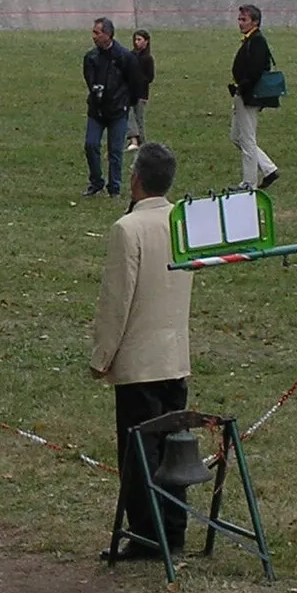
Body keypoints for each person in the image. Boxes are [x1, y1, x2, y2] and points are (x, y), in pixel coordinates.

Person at [90, 141, 194, 557]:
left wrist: (102, 356)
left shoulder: (127, 229)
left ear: (135, 179)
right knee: (174, 448)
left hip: (138, 360)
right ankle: (174, 526)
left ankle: (147, 533)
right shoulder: (182, 222)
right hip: (175, 354)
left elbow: (117, 301)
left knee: (139, 452)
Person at [82, 18, 136, 197]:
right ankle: (96, 181)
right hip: (97, 110)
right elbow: (89, 80)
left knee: (115, 150)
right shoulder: (91, 57)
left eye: (97, 33)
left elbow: (133, 81)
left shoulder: (124, 57)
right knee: (91, 145)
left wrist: (126, 103)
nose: (94, 37)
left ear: (108, 35)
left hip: (117, 111)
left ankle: (114, 187)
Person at [228, 4, 279, 190]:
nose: (240, 23)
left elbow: (256, 69)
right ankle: (269, 169)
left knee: (247, 138)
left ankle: (249, 183)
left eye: (244, 20)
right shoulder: (250, 39)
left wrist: (242, 86)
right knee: (236, 136)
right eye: (239, 19)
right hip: (242, 94)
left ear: (255, 22)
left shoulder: (257, 41)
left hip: (249, 96)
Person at [126, 30, 154, 147]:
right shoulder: (131, 55)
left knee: (139, 118)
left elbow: (149, 77)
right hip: (129, 92)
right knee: (129, 114)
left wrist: (138, 79)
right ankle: (134, 140)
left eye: (139, 40)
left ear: (146, 42)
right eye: (135, 40)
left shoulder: (147, 58)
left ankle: (140, 141)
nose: (136, 42)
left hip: (141, 93)